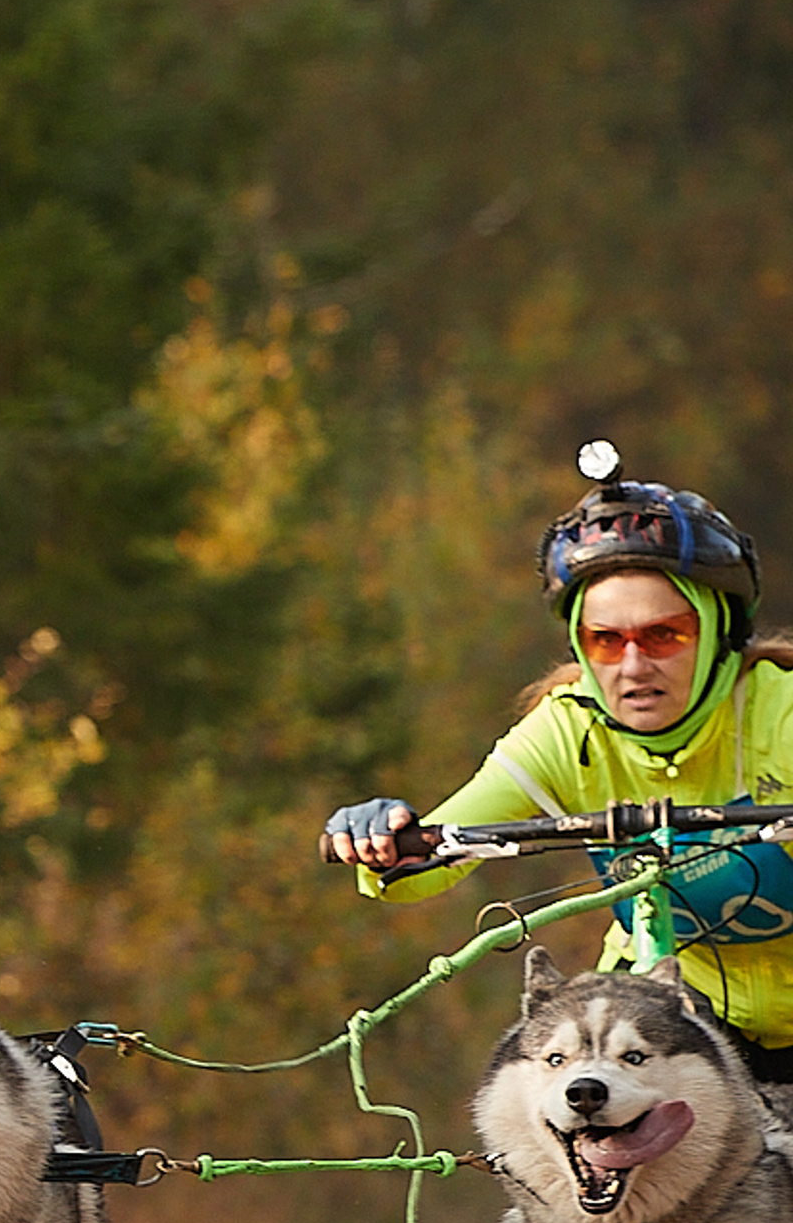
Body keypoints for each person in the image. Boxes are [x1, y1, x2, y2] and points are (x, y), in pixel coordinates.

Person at [323, 443, 793, 1079]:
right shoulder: (564, 730)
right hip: (690, 1028)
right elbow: (426, 865)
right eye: (605, 640)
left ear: (718, 633)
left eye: (664, 635)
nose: (633, 666)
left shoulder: (780, 712)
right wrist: (380, 842)